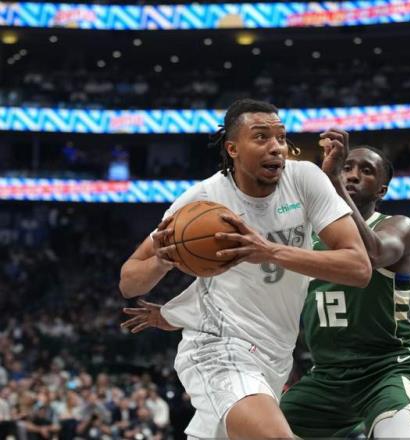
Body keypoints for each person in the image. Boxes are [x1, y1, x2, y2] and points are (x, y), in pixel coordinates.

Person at [119, 99, 371, 439]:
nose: (276, 147)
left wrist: (269, 251)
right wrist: (162, 261)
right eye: (261, 137)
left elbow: (359, 267)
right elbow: (129, 282)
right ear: (233, 148)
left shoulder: (305, 179)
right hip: (217, 347)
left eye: (281, 137)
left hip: (276, 356)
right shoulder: (204, 200)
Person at [280, 128, 410, 438]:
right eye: (346, 167)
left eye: (366, 170)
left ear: (381, 191)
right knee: (245, 429)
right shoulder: (304, 236)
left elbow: (371, 254)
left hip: (387, 368)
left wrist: (333, 181)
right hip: (327, 376)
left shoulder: (398, 226)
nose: (352, 175)